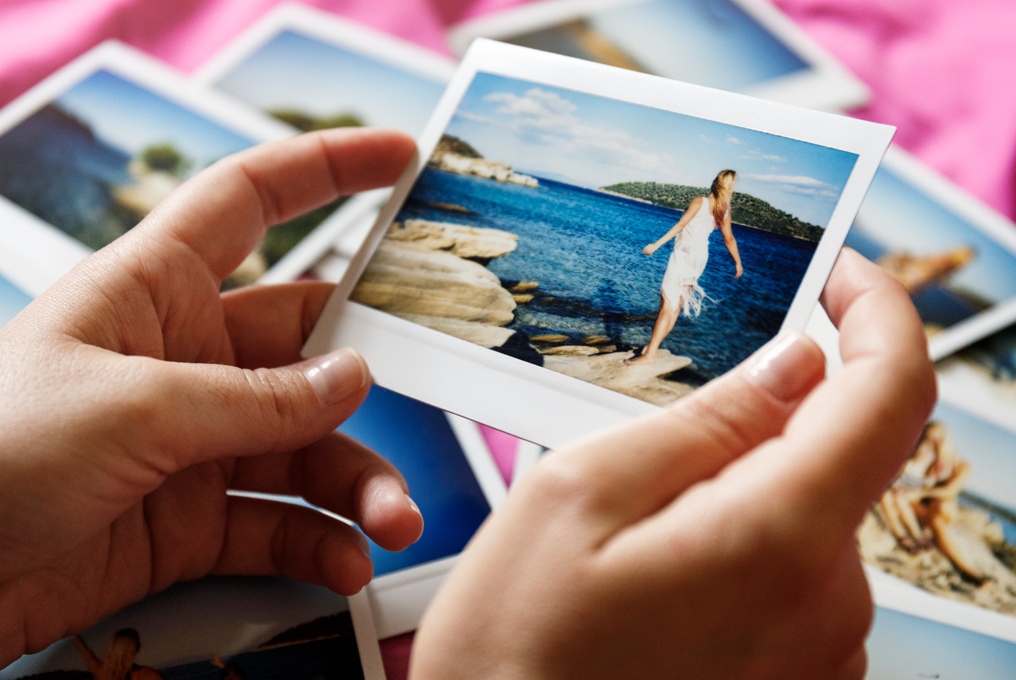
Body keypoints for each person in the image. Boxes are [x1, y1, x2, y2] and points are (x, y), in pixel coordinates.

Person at [0, 128, 935, 680]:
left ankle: (653, 350)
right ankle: (654, 351)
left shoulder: (720, 210)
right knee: (660, 313)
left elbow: (715, 235)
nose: (723, 194)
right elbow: (690, 228)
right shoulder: (701, 203)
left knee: (662, 316)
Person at [626, 169, 744, 366]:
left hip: (684, 254)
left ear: (715, 182)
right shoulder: (723, 210)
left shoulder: (700, 202)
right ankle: (651, 348)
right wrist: (738, 262)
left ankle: (649, 355)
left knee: (667, 303)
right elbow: (729, 239)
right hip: (699, 258)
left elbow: (680, 225)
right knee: (676, 305)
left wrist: (656, 244)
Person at [72, 629, 163, 680]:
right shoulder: (143, 674)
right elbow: (85, 651)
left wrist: (72, 632)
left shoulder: (101, 671)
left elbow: (85, 651)